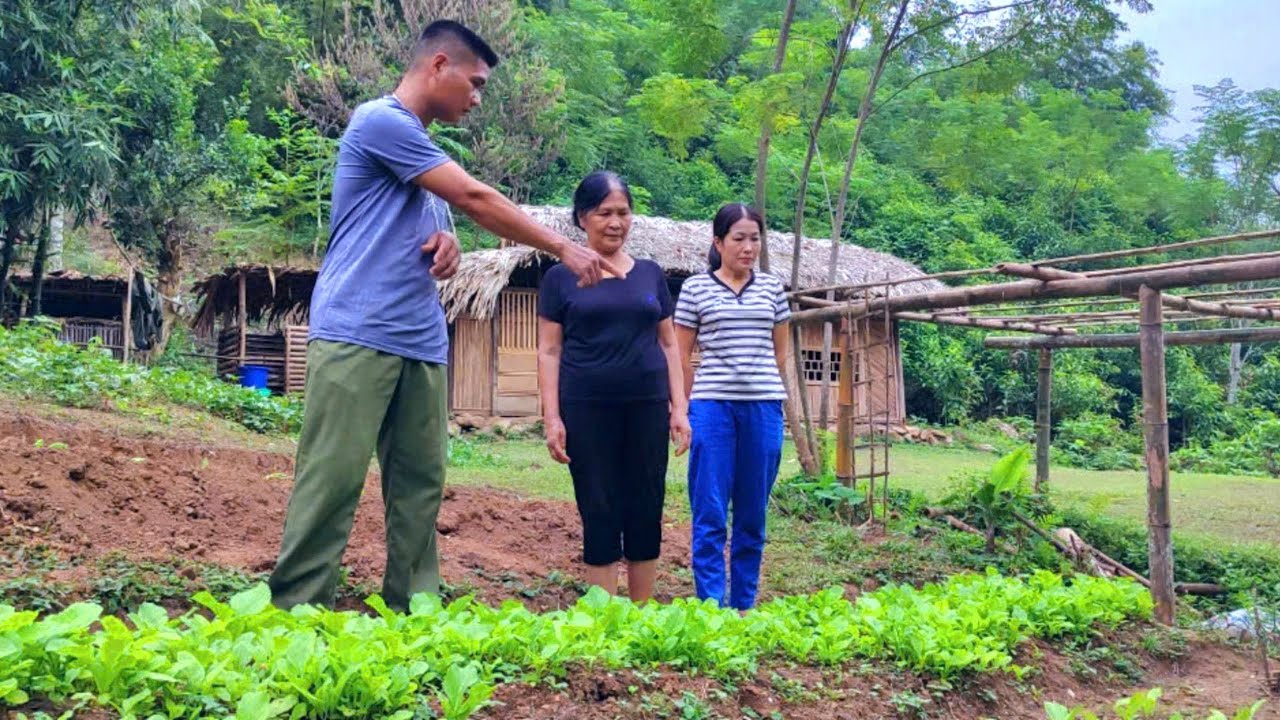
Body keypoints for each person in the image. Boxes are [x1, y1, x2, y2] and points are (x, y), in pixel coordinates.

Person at [268, 20, 621, 613]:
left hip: (422, 341)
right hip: (357, 332)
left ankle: (413, 611)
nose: (478, 99)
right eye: (475, 83)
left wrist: (447, 248)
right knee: (331, 481)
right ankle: (295, 612)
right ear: (438, 66)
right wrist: (562, 246)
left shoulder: (427, 160)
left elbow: (445, 233)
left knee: (420, 488)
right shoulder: (380, 121)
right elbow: (476, 199)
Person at [536, 172, 691, 602]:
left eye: (623, 213)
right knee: (598, 504)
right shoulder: (559, 279)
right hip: (585, 407)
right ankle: (604, 619)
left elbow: (668, 344)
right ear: (583, 218)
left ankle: (640, 611)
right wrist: (552, 417)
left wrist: (679, 408)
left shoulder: (650, 275)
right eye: (604, 213)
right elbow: (549, 352)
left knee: (646, 502)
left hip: (646, 406)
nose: (615, 222)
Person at [673, 203, 790, 611]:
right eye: (738, 238)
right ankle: (710, 607)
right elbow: (681, 354)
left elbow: (780, 352)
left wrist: (756, 384)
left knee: (752, 515)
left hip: (763, 408)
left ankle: (743, 604)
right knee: (709, 510)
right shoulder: (695, 289)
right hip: (711, 408)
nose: (747, 247)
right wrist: (683, 409)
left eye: (754, 238)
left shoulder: (773, 289)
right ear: (718, 242)